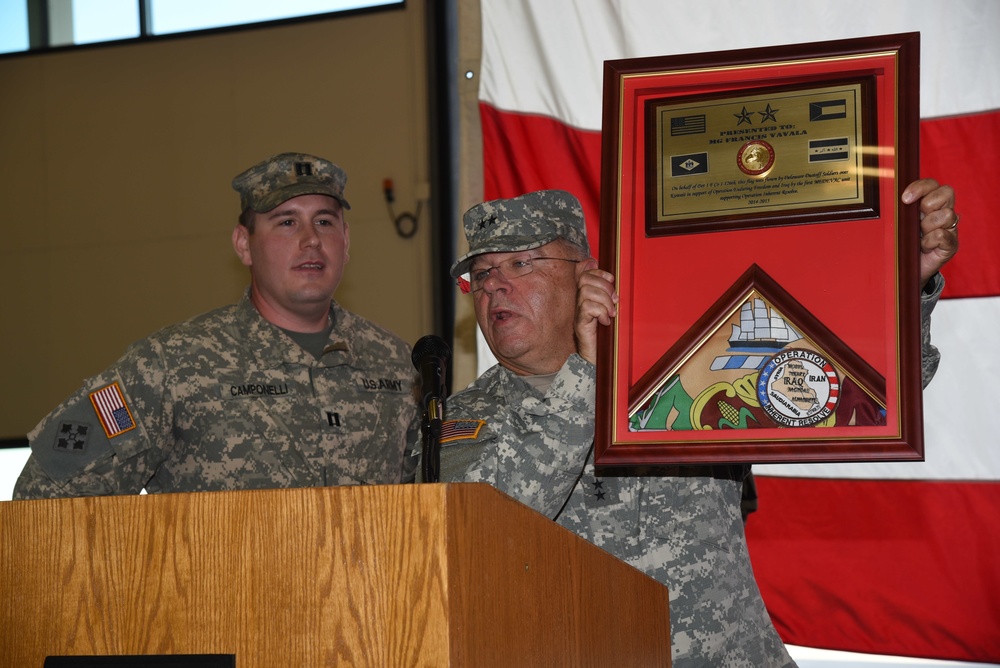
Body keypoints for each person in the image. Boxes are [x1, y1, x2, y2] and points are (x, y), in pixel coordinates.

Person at [429, 182, 958, 667]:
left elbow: (856, 393)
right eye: (481, 274)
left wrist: (906, 284)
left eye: (521, 263)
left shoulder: (676, 372)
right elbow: (478, 538)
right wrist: (586, 376)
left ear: (588, 273)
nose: (496, 286)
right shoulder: (455, 421)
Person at [14, 152, 420, 498]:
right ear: (244, 243)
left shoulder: (398, 364)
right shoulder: (171, 365)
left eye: (325, 222)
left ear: (346, 241)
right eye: (286, 222)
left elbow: (426, 506)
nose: (311, 240)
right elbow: (47, 490)